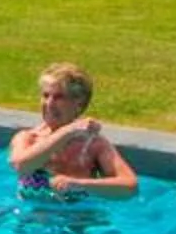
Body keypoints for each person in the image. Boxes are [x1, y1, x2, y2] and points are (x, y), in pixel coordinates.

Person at [9, 62, 139, 198]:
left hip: (79, 211)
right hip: (28, 211)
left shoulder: (92, 145)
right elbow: (20, 166)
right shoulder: (27, 138)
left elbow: (130, 187)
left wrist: (79, 184)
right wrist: (67, 131)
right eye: (46, 95)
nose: (49, 103)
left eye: (59, 97)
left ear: (79, 103)